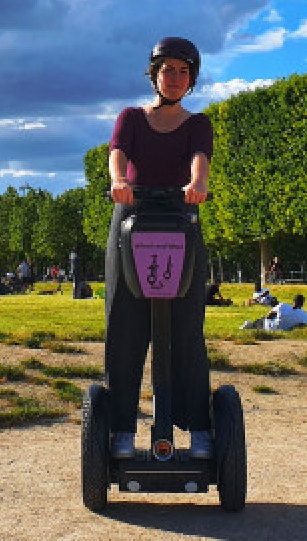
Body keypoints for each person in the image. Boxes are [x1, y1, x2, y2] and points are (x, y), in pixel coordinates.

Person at [106, 36, 213, 460]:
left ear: (192, 80)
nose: (175, 78)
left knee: (186, 329)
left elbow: (199, 160)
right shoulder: (131, 117)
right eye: (167, 69)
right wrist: (119, 181)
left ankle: (200, 427)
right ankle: (119, 428)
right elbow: (118, 153)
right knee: (125, 325)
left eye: (183, 71)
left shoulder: (197, 122)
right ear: (154, 74)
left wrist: (198, 184)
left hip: (180, 214)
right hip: (131, 213)